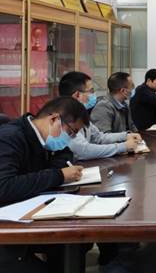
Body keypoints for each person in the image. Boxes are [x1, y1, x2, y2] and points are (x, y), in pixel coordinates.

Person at [0, 97, 87, 272]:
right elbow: (4, 186)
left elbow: (65, 154)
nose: (70, 138)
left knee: (76, 244)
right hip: (7, 225)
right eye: (71, 132)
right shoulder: (10, 137)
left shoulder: (44, 139)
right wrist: (58, 175)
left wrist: (53, 173)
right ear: (54, 119)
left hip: (28, 210)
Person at [59, 71, 142, 160]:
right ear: (77, 95)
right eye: (91, 91)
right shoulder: (65, 119)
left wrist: (126, 135)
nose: (94, 95)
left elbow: (99, 137)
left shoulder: (80, 114)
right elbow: (84, 150)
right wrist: (123, 146)